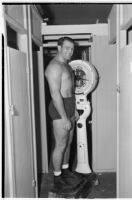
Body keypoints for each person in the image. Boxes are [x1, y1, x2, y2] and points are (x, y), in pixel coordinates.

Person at [45, 37, 83, 192]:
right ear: (58, 47)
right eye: (67, 48)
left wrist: (73, 109)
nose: (70, 52)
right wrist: (65, 117)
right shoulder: (53, 67)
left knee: (69, 141)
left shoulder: (66, 65)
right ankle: (57, 177)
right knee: (60, 144)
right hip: (58, 107)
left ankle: (66, 171)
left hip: (69, 105)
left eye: (72, 49)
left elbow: (70, 90)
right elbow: (55, 94)